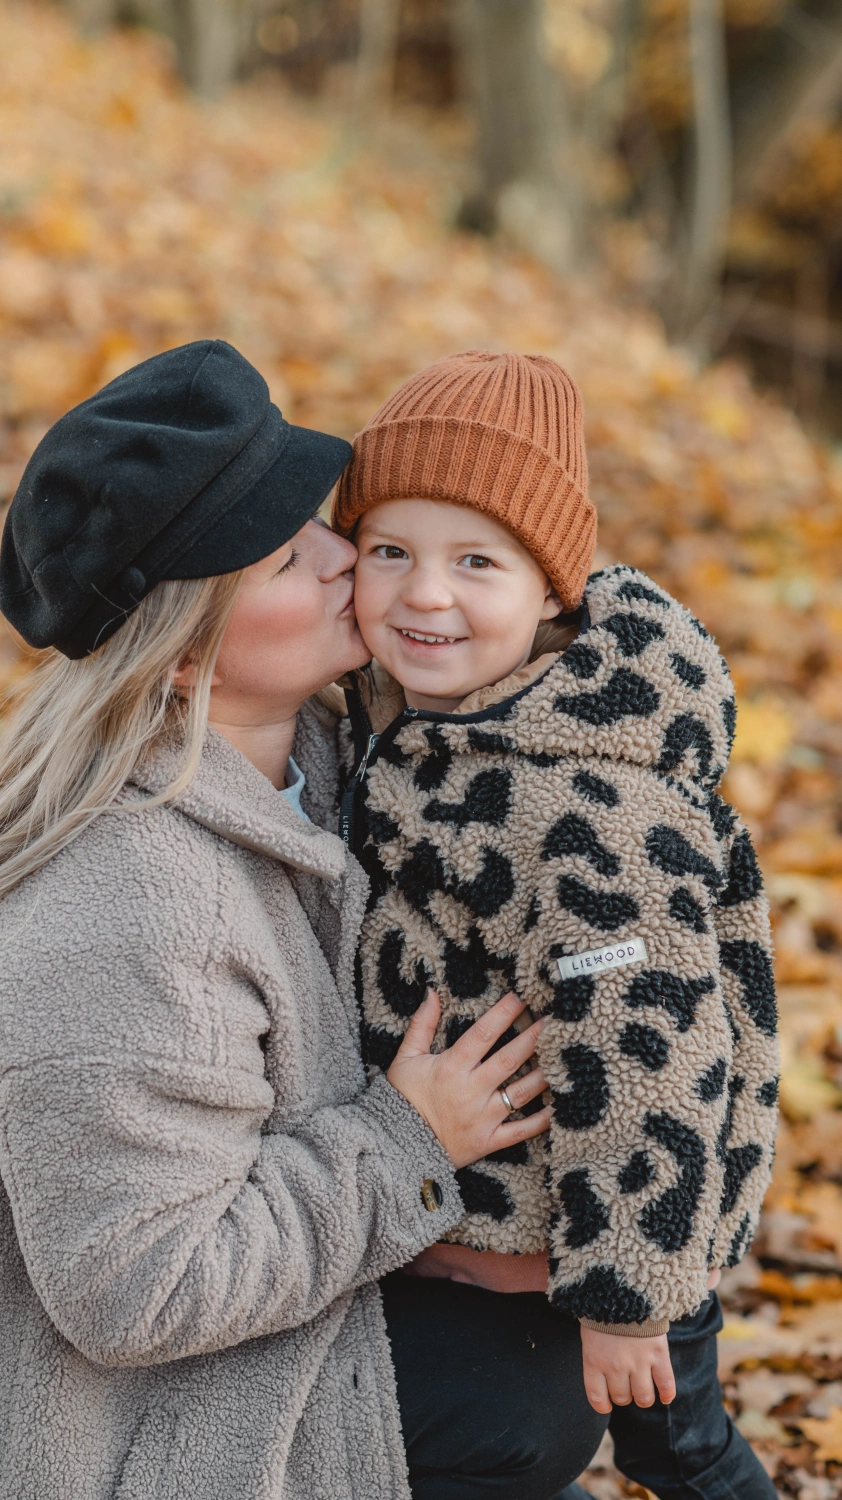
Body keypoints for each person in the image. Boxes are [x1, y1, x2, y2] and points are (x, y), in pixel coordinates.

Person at [0, 341, 604, 1500]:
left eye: (320, 523)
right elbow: (138, 1294)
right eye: (293, 559)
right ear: (187, 657)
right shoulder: (125, 907)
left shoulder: (311, 748)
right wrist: (406, 1140)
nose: (350, 558)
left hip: (182, 1284)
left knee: (559, 1301)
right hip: (58, 1431)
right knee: (524, 1401)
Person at [331, 349, 780, 1499]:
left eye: (474, 561)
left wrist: (627, 1297)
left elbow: (652, 1059)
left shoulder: (589, 806)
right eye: (390, 551)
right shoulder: (408, 719)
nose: (423, 594)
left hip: (626, 1230)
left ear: (551, 593)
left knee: (676, 1444)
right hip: (482, 1224)